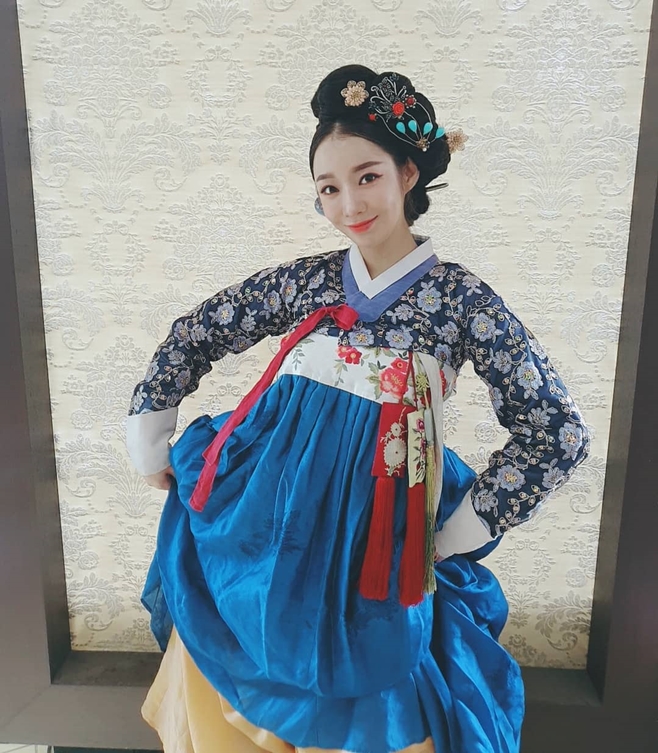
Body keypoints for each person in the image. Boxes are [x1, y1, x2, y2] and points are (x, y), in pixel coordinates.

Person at [126, 64, 589, 753]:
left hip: (376, 532)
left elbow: (557, 431)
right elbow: (200, 330)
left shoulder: (461, 300)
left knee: (382, 683)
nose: (350, 203)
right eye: (329, 188)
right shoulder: (307, 280)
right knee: (239, 641)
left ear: (408, 173)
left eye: (367, 176)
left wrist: (458, 528)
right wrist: (152, 428)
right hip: (270, 516)